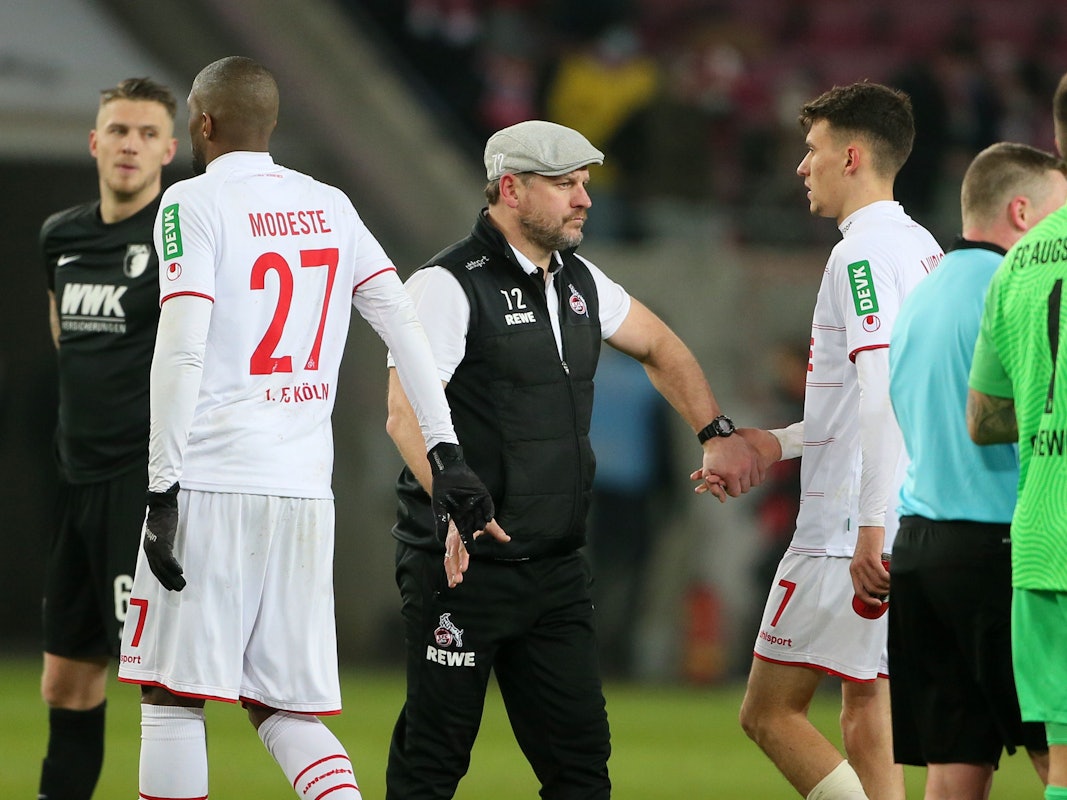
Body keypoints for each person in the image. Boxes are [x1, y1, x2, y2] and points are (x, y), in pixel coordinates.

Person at [116, 56, 495, 800]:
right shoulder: (330, 205)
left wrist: (162, 486)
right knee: (280, 703)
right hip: (300, 494)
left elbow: (183, 343)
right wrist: (446, 450)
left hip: (213, 479)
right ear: (271, 123)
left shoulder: (187, 203)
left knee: (170, 696)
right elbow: (402, 324)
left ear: (201, 121)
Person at [384, 118, 761, 800]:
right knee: (432, 764)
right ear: (510, 188)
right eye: (563, 184)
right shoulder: (444, 284)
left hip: (556, 569)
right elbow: (402, 410)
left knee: (581, 770)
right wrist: (449, 484)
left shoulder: (581, 280)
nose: (583, 198)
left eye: (584, 183)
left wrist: (715, 431)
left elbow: (662, 346)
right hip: (464, 567)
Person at [726, 82, 944, 800]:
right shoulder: (921, 249)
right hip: (904, 509)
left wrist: (869, 531)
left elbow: (880, 393)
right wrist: (778, 444)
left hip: (846, 528)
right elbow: (885, 399)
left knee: (767, 712)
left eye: (812, 149)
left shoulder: (858, 259)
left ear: (850, 156)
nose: (800, 166)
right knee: (865, 700)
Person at [889, 142, 1066, 799]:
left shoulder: (922, 294)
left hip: (920, 550)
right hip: (999, 551)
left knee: (953, 769)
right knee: (1059, 755)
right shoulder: (1016, 287)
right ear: (1021, 212)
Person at [37, 77, 178, 800]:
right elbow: (65, 333)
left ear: (169, 150)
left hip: (139, 488)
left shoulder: (176, 237)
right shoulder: (61, 235)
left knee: (161, 689)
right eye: (119, 130)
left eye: (147, 133)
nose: (130, 144)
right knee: (66, 682)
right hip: (77, 485)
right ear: (95, 141)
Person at [967, 72, 1067, 800]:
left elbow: (982, 417)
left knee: (1060, 767)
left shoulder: (1017, 263)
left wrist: (1041, 412)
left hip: (1040, 537)